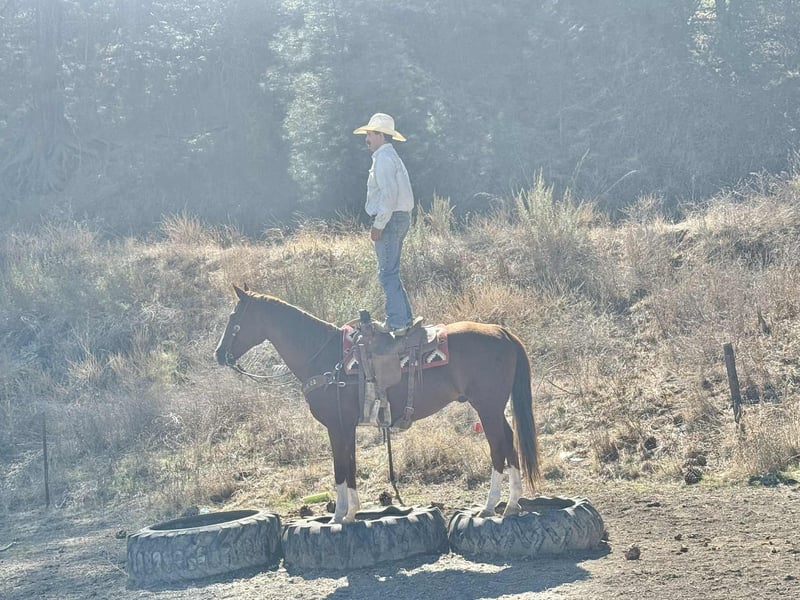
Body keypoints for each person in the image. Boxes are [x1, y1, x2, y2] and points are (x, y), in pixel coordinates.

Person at [353, 113, 415, 335]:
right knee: (391, 272)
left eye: (370, 134)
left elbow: (389, 195)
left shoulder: (383, 159)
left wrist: (379, 224)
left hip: (390, 220)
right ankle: (404, 319)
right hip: (398, 218)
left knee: (387, 273)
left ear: (380, 135)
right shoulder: (390, 157)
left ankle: (398, 323)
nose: (367, 138)